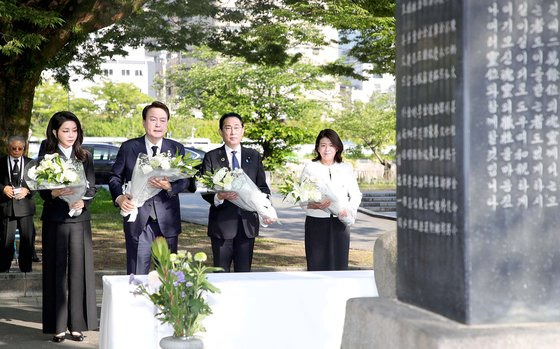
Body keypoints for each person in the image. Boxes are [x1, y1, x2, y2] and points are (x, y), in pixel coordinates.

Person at [109, 101, 192, 275]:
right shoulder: (129, 147)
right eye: (153, 119)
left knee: (168, 275)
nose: (158, 124)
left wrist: (170, 186)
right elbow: (115, 178)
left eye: (163, 120)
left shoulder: (176, 148)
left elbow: (186, 181)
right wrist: (120, 198)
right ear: (144, 122)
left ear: (167, 124)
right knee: (137, 274)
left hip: (167, 219)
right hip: (139, 218)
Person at [39, 111, 97, 342]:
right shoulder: (46, 156)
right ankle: (58, 325)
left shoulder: (85, 155)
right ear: (55, 132)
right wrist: (53, 192)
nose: (71, 135)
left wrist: (84, 199)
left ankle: (77, 324)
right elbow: (41, 190)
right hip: (55, 220)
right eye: (65, 130)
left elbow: (92, 187)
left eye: (74, 130)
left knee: (78, 271)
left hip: (79, 220)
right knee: (56, 272)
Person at [201, 112, 271, 272]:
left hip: (247, 225)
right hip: (222, 226)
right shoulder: (211, 157)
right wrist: (219, 196)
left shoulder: (253, 156)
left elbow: (263, 187)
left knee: (244, 274)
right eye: (228, 128)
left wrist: (265, 208)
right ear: (221, 131)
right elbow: (205, 188)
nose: (232, 132)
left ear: (243, 130)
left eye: (236, 128)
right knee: (220, 273)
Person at [301, 129, 362, 271]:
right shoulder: (310, 167)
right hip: (316, 223)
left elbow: (356, 194)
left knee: (339, 266)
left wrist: (349, 211)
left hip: (340, 222)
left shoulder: (346, 168)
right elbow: (301, 195)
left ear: (337, 147)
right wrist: (314, 205)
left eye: (330, 145)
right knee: (316, 266)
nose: (326, 149)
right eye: (322, 145)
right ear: (317, 148)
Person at [0, 136, 36, 272]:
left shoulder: (31, 163)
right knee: (5, 240)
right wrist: (3, 188)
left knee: (27, 239)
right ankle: (3, 269)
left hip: (25, 206)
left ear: (24, 148)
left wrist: (28, 190)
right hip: (6, 207)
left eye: (20, 148)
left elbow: (38, 183)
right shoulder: (1, 162)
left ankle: (26, 269)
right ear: (8, 148)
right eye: (13, 148)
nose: (16, 151)